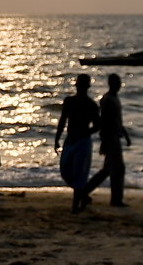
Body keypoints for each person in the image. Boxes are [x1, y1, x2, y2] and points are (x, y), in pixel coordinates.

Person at [84, 73, 132, 207]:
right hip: (110, 137)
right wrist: (104, 141)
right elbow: (105, 122)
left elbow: (118, 120)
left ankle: (85, 191)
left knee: (108, 170)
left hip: (115, 136)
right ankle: (116, 200)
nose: (119, 85)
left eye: (119, 82)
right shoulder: (108, 100)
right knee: (118, 169)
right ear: (111, 84)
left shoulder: (114, 98)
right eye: (117, 82)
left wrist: (126, 135)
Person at [54, 74, 99, 213]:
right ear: (76, 86)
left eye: (83, 85)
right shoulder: (69, 101)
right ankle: (83, 195)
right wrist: (57, 139)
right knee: (65, 171)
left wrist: (86, 133)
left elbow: (98, 124)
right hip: (70, 139)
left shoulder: (91, 105)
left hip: (83, 142)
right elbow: (62, 121)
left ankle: (75, 206)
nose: (81, 88)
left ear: (87, 87)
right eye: (79, 85)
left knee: (79, 174)